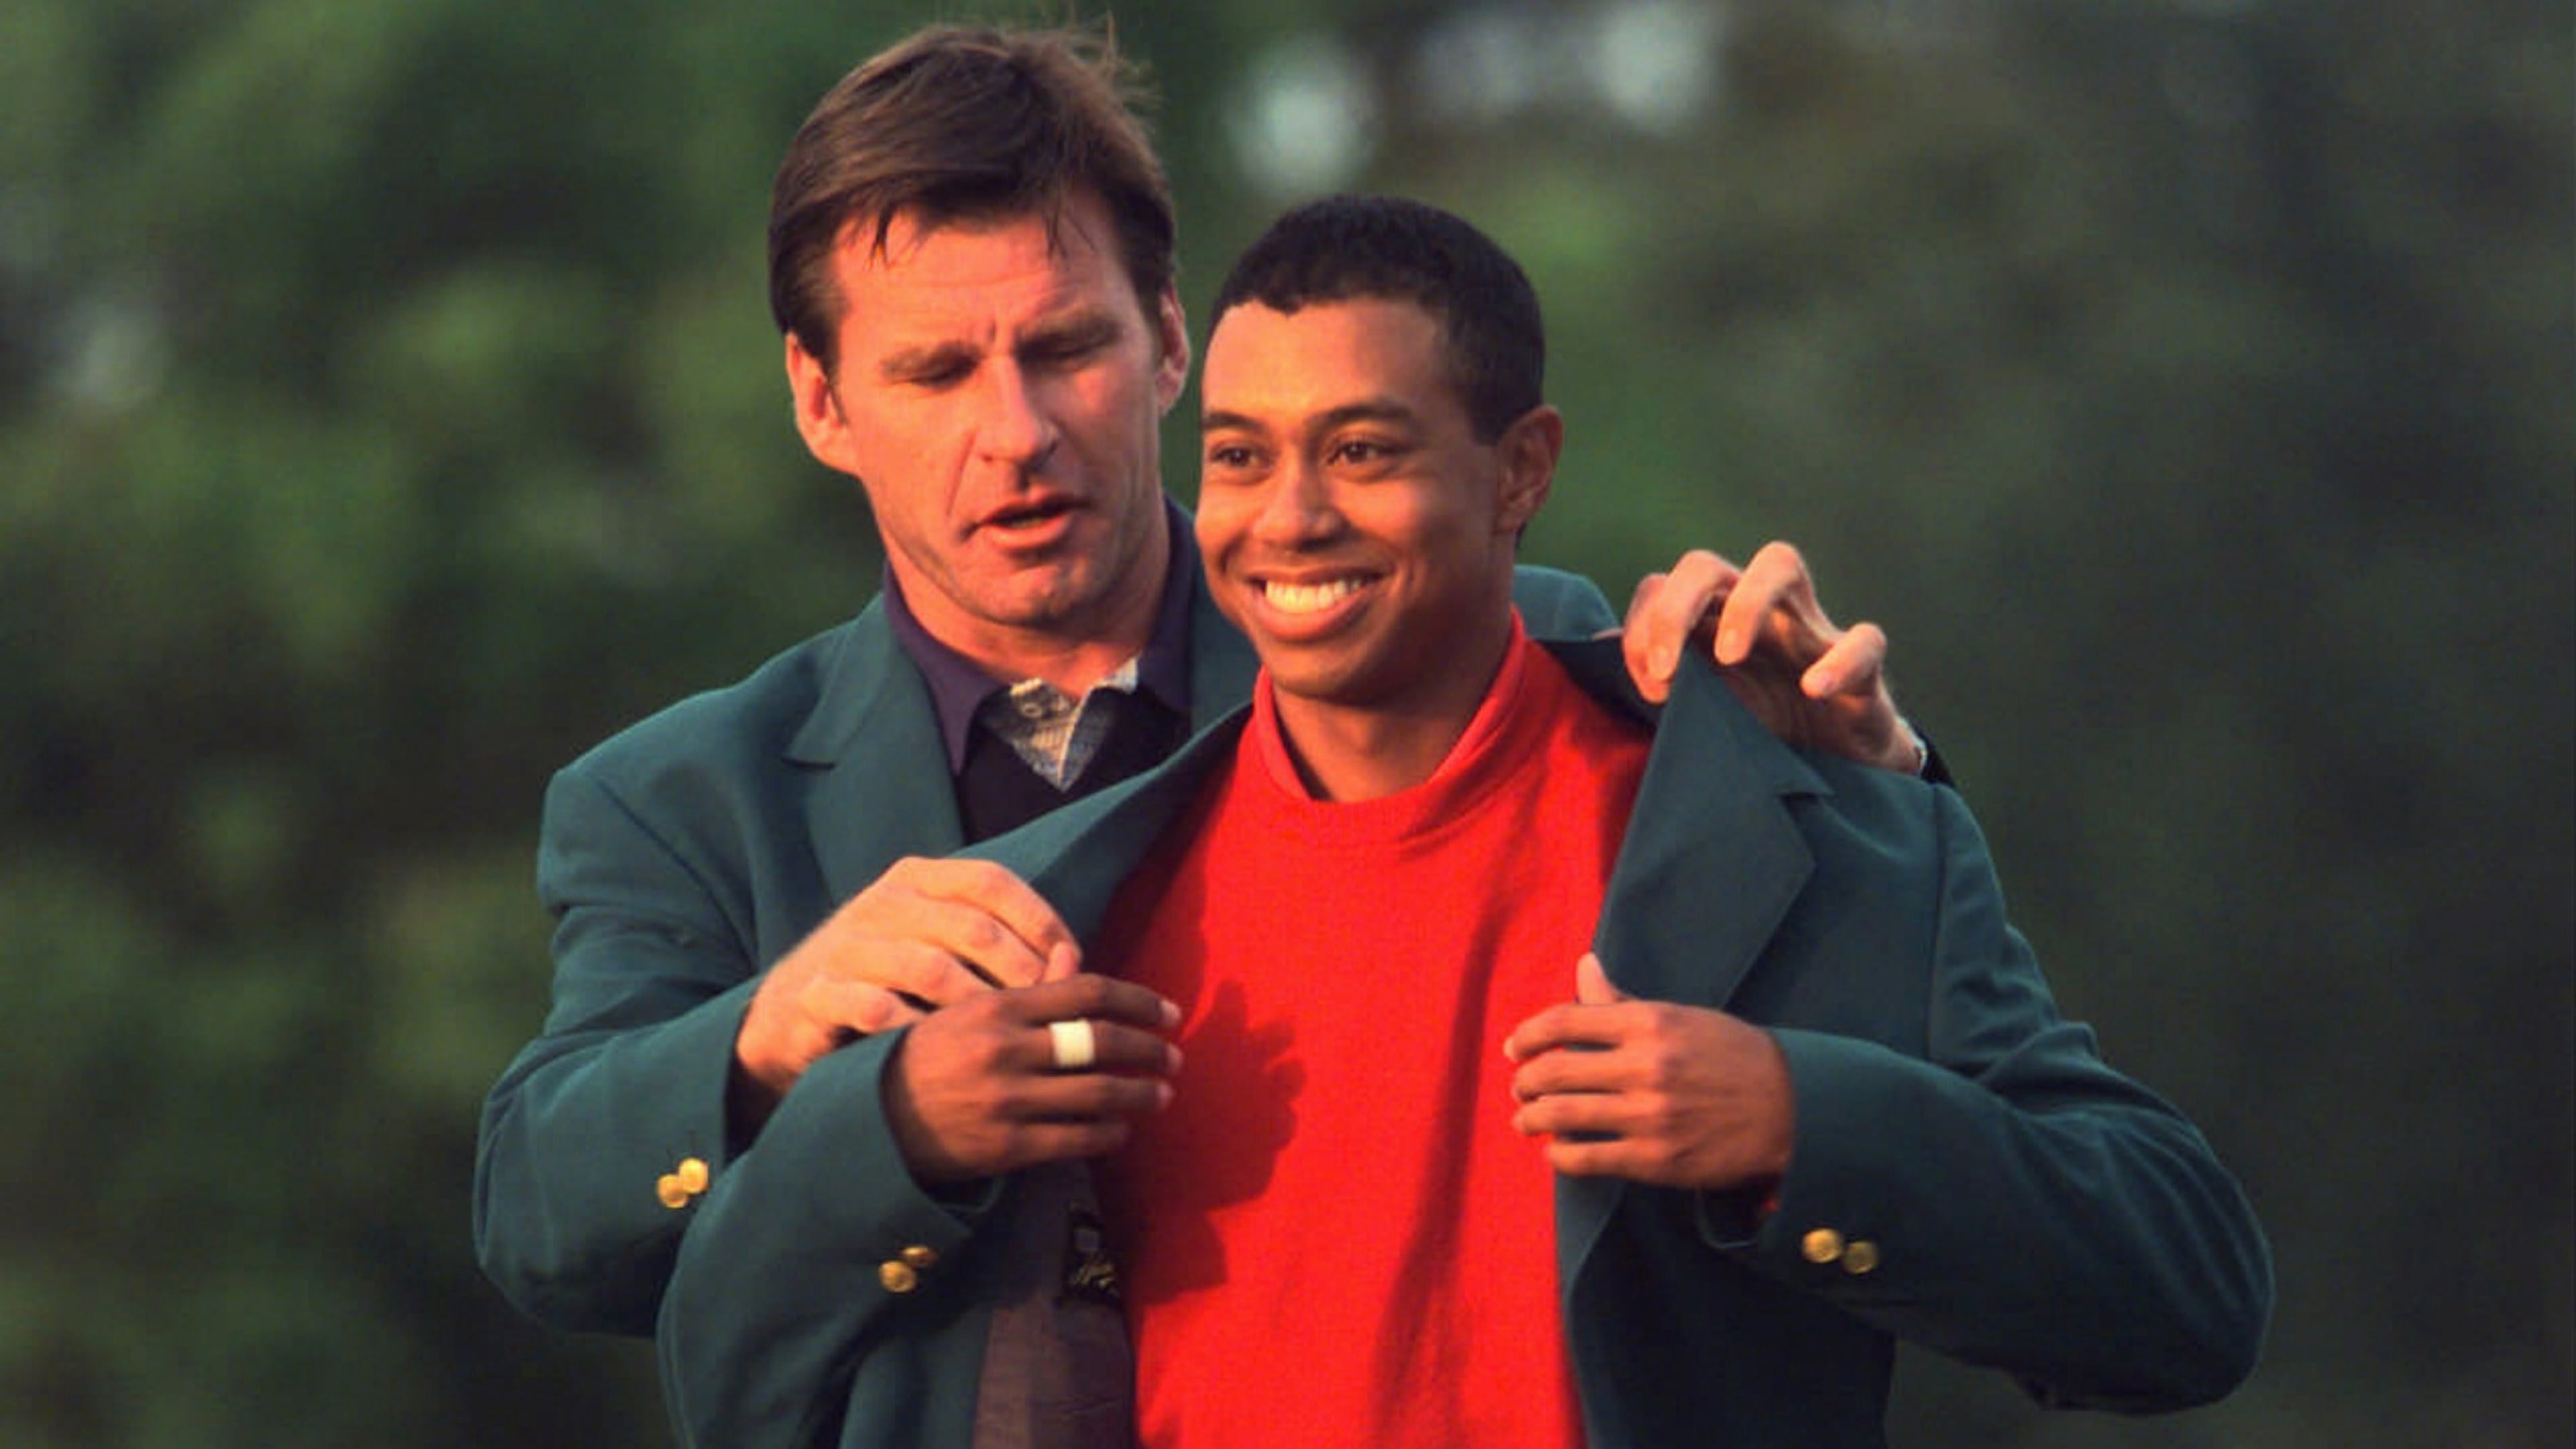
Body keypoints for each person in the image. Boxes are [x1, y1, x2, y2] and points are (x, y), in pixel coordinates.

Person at [652, 196, 2272, 1447]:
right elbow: (723, 1370)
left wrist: (1796, 1123)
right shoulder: (1064, 904)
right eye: (1240, 457)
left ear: (1520, 472)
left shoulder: (1810, 842)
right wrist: (888, 1135)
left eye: (1362, 450)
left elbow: (2188, 1295)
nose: (1290, 518)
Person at [474, 20, 1930, 1351]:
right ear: (819, 400)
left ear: (1169, 341)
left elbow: (1917, 1080)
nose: (1017, 431)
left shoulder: (1506, 648)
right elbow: (539, 1220)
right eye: (935, 373)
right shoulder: (677, 802)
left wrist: (1873, 791)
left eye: (1067, 347)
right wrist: (774, 1039)